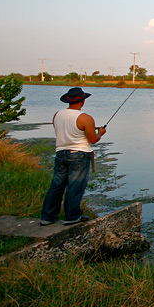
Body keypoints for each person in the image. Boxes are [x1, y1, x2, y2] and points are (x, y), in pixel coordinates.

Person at [39, 87, 106, 225]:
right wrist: (100, 132)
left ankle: (47, 217)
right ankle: (72, 217)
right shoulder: (86, 118)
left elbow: (65, 129)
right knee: (75, 186)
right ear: (82, 101)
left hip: (60, 153)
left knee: (56, 185)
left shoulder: (57, 114)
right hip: (79, 155)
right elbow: (93, 140)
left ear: (68, 100)